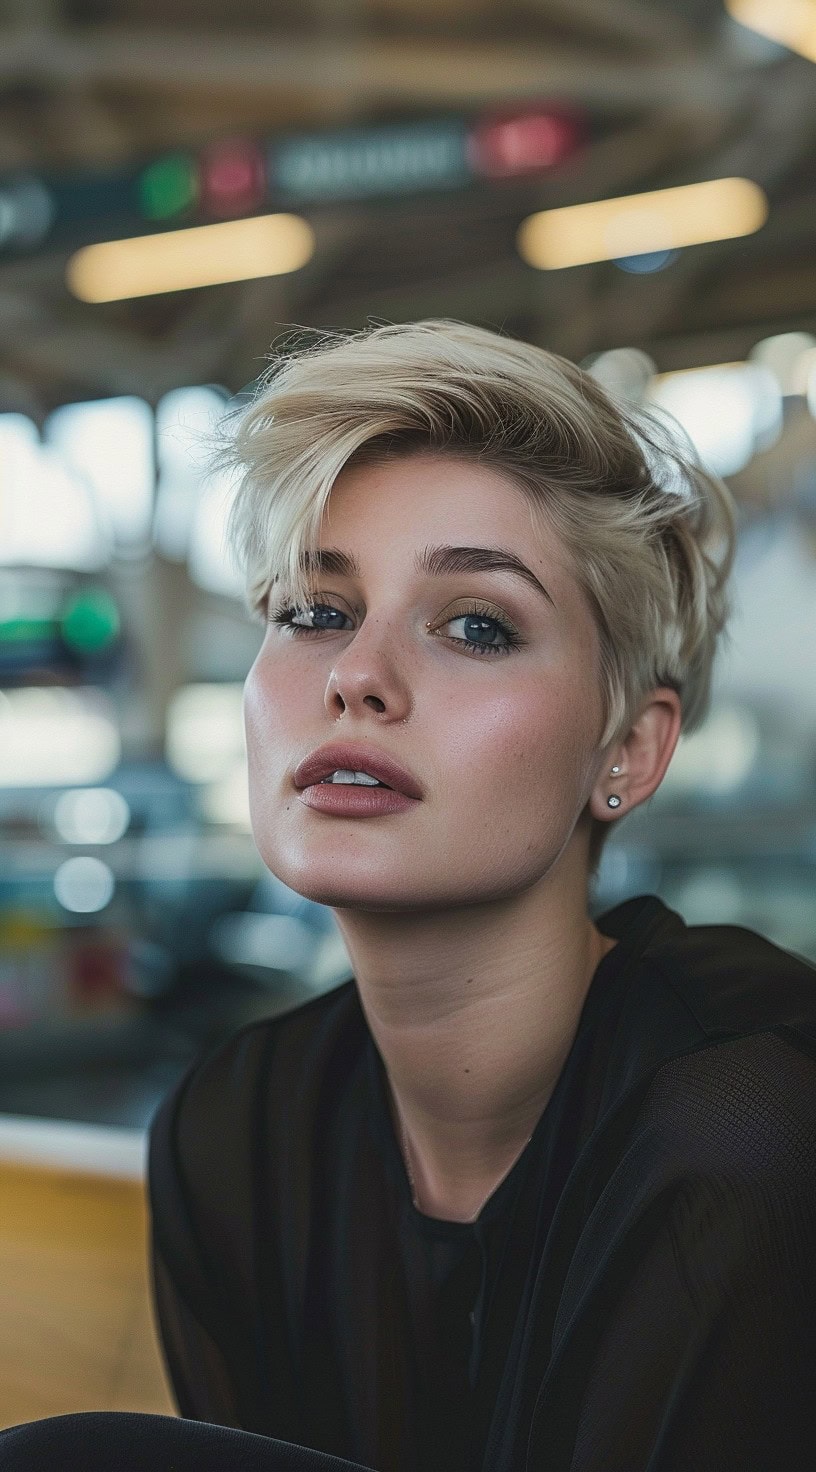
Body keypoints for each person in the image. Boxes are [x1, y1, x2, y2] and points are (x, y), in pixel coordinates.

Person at [3, 319, 815, 1470]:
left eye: (476, 625)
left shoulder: (747, 1127)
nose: (357, 676)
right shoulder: (242, 1123)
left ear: (627, 750)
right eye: (316, 611)